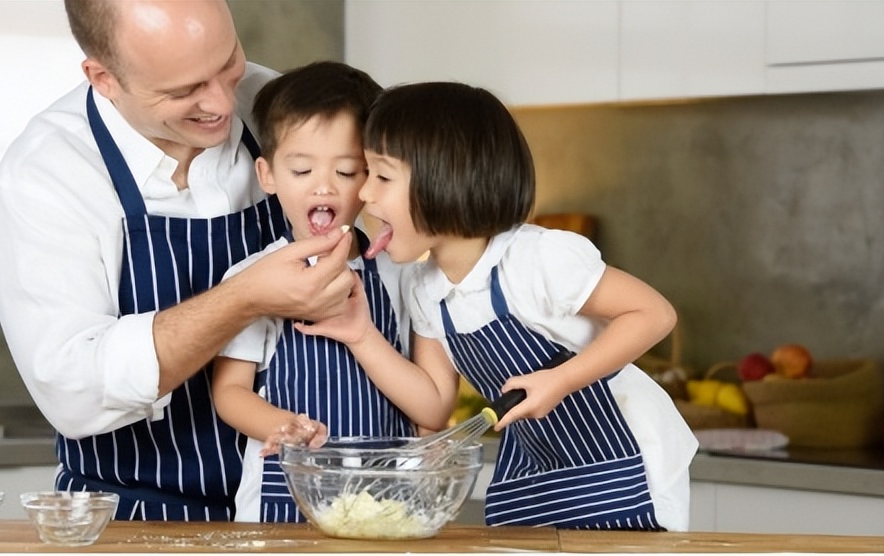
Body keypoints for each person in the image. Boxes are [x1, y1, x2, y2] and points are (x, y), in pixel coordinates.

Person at [0, 0, 355, 521]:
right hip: (131, 518)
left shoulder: (274, 105)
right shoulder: (47, 174)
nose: (223, 103)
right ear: (104, 77)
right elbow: (75, 391)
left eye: (229, 62)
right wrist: (245, 297)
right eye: (184, 91)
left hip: (302, 514)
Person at [297, 82, 700, 531]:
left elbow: (654, 314)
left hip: (626, 461)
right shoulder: (425, 287)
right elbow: (433, 406)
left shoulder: (536, 259)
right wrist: (361, 334)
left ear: (445, 178)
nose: (365, 194)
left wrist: (561, 380)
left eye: (382, 176)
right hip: (536, 465)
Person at [209, 61, 415, 523]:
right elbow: (230, 392)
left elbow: (425, 399)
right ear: (267, 175)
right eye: (301, 170)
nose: (324, 186)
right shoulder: (251, 278)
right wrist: (281, 427)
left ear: (373, 176)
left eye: (346, 172)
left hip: (389, 501)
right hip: (280, 504)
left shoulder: (400, 275)